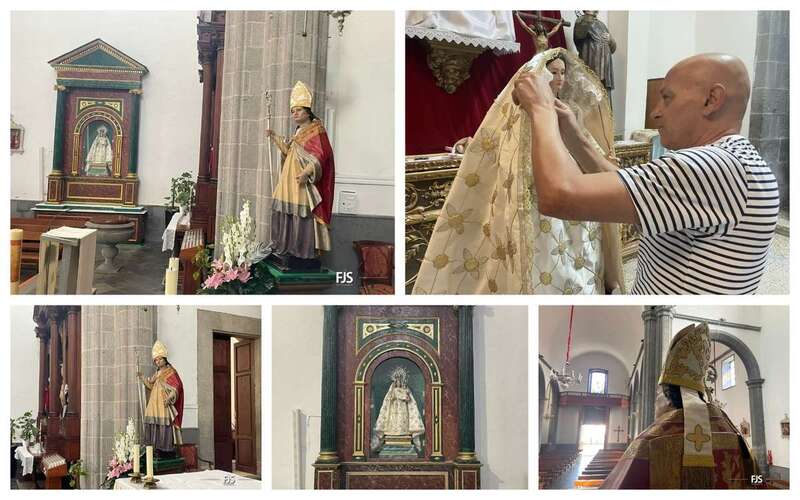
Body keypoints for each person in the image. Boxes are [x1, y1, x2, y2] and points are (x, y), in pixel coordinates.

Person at [512, 53, 779, 294]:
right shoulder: (739, 162)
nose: (655, 112)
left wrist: (541, 109)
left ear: (712, 100)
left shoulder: (712, 166)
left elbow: (559, 196)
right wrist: (574, 133)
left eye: (667, 98)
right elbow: (629, 187)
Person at [413, 47, 623, 295]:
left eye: (562, 73)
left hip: (576, 198)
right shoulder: (522, 111)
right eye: (553, 72)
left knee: (577, 259)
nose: (559, 78)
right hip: (537, 200)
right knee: (538, 257)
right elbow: (500, 140)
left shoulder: (570, 111)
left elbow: (587, 147)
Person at [602, 323, 758, 488]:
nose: (655, 402)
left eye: (658, 394)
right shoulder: (735, 434)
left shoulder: (648, 441)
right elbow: (757, 482)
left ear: (667, 395)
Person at [266, 81, 335, 262]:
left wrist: (307, 172)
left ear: (307, 111)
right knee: (285, 209)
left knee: (302, 213)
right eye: (292, 111)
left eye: (298, 110)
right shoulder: (298, 131)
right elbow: (290, 150)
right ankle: (285, 246)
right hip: (289, 179)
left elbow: (322, 155)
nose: (294, 114)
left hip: (302, 181)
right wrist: (274, 137)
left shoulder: (316, 129)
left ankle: (302, 251)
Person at [137, 340, 184, 456]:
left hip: (163, 402)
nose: (158, 362)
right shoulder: (157, 373)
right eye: (156, 360)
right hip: (154, 402)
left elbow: (177, 386)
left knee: (164, 424)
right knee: (152, 422)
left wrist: (170, 397)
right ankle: (153, 447)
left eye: (160, 359)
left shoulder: (171, 371)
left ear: (165, 359)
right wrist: (142, 377)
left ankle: (165, 448)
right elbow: (150, 385)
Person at [373, 367, 425, 454]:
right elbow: (389, 399)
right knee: (393, 421)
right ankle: (392, 435)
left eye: (400, 380)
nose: (399, 382)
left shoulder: (406, 389)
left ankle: (404, 434)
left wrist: (405, 394)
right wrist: (396, 395)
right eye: (397, 380)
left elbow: (408, 399)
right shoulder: (392, 390)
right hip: (394, 409)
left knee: (402, 421)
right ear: (394, 381)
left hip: (403, 409)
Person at [573, 10, 616, 93]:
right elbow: (578, 36)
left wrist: (610, 39)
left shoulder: (601, 24)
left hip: (605, 68)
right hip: (591, 64)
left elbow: (613, 49)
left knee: (605, 96)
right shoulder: (581, 21)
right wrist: (588, 16)